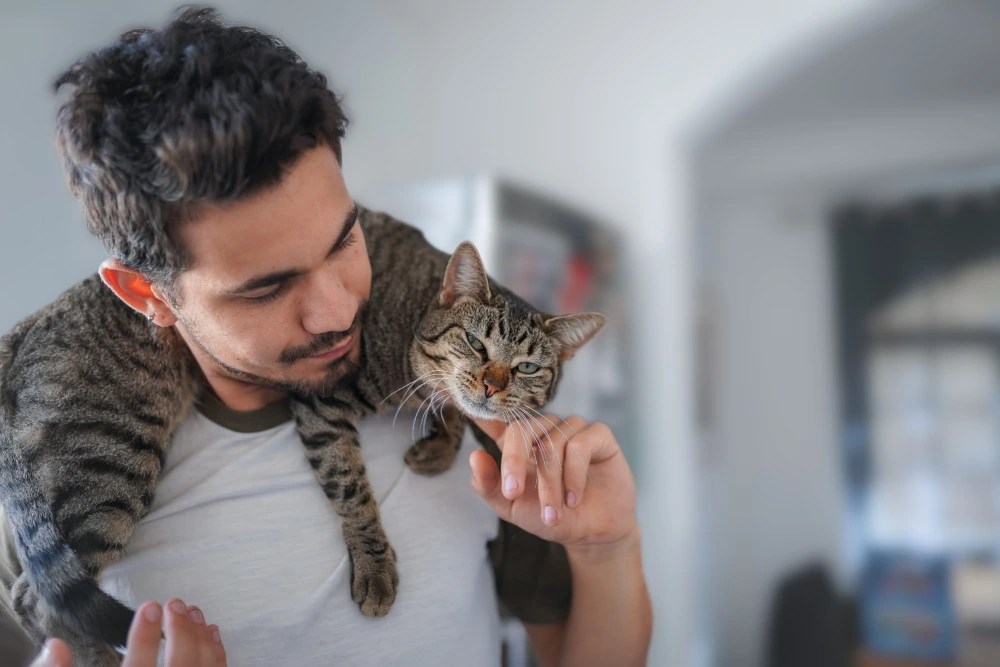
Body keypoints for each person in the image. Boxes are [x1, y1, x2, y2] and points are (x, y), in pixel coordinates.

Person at [2, 6, 652, 665]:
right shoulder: (55, 467)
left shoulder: (480, 418)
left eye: (344, 240)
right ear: (148, 294)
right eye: (267, 287)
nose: (338, 312)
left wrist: (609, 549)